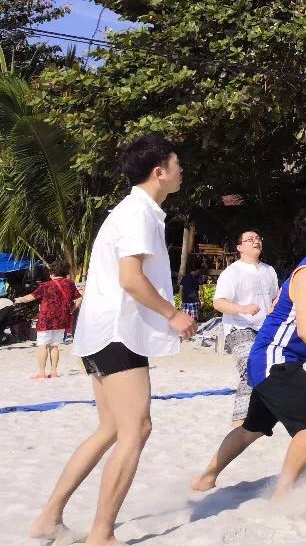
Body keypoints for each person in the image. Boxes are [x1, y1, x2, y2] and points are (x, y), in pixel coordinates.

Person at [29, 134, 197, 546]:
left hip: (100, 332)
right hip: (118, 333)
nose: (181, 170)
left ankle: (48, 519)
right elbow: (131, 279)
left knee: (110, 429)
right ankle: (101, 534)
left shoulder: (133, 210)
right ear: (159, 172)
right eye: (176, 164)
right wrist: (173, 314)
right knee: (136, 429)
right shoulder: (138, 213)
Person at [190, 208, 306, 497]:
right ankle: (283, 494)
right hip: (275, 359)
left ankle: (205, 478)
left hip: (274, 359)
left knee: (253, 428)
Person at [211, 230, 279, 426]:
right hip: (238, 326)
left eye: (258, 238)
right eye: (250, 239)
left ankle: (262, 413)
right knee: (249, 369)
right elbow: (218, 302)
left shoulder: (269, 271)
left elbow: (274, 298)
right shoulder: (232, 272)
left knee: (270, 370)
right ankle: (240, 421)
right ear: (239, 247)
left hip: (265, 328)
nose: (255, 241)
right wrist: (243, 309)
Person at [14, 259, 80, 380]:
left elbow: (31, 297)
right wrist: (71, 309)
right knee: (54, 345)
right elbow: (79, 299)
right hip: (62, 320)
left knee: (42, 345)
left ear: (52, 273)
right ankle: (54, 372)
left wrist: (18, 299)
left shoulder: (46, 285)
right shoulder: (70, 284)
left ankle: (41, 372)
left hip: (46, 320)